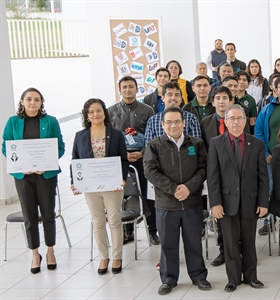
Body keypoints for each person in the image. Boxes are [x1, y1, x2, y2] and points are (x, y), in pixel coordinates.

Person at [144, 106, 211, 295]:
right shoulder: (154, 145)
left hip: (191, 202)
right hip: (167, 204)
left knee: (193, 242)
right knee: (168, 243)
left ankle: (199, 276)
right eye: (169, 122)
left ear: (184, 123)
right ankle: (168, 279)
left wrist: (188, 187)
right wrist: (174, 189)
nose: (173, 125)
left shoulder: (196, 144)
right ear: (163, 125)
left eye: (177, 121)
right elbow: (150, 171)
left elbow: (204, 168)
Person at [2, 87, 65, 274]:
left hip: (45, 175)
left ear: (41, 102)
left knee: (48, 214)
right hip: (23, 177)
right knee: (29, 216)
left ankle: (51, 251)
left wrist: (48, 164)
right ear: (22, 101)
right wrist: (20, 165)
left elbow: (60, 146)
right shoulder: (13, 122)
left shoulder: (50, 121)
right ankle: (35, 254)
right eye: (28, 99)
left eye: (36, 99)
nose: (32, 102)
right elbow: (6, 146)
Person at [207, 104, 269, 292]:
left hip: (251, 202)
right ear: (225, 122)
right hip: (226, 203)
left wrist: (263, 202)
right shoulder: (216, 143)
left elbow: (263, 176)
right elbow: (213, 176)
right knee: (231, 242)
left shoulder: (256, 143)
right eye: (231, 119)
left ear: (245, 121)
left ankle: (251, 277)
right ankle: (233, 279)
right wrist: (215, 203)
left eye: (239, 118)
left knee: (249, 241)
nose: (235, 122)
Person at [70, 98, 129, 275]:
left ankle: (117, 256)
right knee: (97, 222)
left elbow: (123, 159)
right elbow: (75, 160)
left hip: (113, 185)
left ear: (104, 112)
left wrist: (122, 178)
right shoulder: (80, 136)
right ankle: (104, 256)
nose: (95, 114)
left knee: (114, 220)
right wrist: (75, 181)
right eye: (91, 112)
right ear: (86, 116)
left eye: (99, 111)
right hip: (91, 186)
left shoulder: (116, 134)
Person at [200, 86, 250, 268]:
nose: (221, 101)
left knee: (239, 215)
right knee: (221, 216)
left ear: (231, 101)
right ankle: (224, 251)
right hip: (215, 174)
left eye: (225, 98)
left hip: (237, 174)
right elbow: (202, 148)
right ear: (213, 102)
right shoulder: (205, 122)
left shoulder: (240, 120)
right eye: (218, 98)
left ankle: (243, 252)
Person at [107, 76, 159, 245]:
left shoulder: (147, 110)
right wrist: (122, 155)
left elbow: (153, 136)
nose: (128, 90)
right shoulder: (111, 111)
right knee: (124, 196)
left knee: (148, 195)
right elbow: (109, 138)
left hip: (143, 159)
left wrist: (142, 153)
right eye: (124, 87)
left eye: (131, 87)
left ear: (137, 89)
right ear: (119, 90)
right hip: (121, 161)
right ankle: (127, 231)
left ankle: (152, 231)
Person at [254, 76, 280, 235]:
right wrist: (265, 152)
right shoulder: (267, 109)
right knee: (270, 189)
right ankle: (268, 222)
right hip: (272, 158)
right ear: (275, 89)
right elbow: (258, 131)